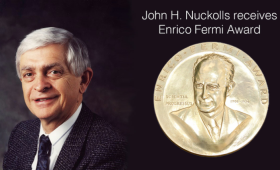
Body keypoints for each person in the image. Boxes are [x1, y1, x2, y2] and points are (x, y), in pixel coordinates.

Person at [3, 27, 127, 170]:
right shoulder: (21, 133)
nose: (40, 86)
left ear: (83, 80)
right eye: (29, 74)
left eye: (54, 72)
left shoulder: (107, 147)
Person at [170, 54, 251, 147]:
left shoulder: (243, 121)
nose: (204, 95)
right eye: (199, 85)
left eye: (212, 87)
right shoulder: (176, 119)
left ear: (229, 88)